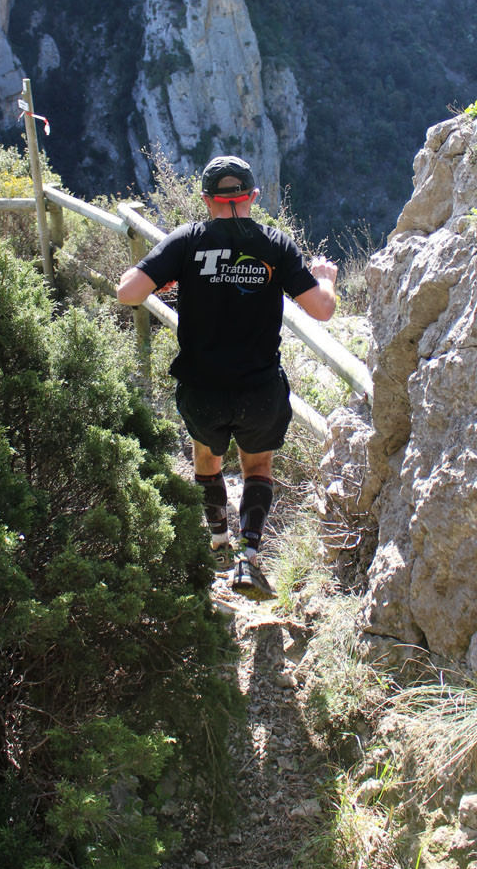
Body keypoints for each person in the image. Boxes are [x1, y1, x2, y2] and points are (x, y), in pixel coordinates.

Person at [116, 155, 338, 599]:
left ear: (206, 200)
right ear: (253, 197)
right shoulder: (276, 245)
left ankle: (218, 541)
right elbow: (322, 309)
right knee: (257, 467)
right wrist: (325, 278)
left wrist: (167, 277)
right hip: (259, 388)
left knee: (207, 457)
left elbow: (128, 293)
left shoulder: (185, 242)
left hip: (202, 387)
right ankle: (249, 557)